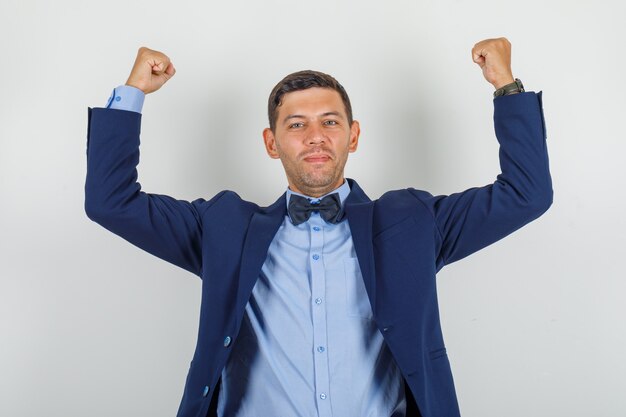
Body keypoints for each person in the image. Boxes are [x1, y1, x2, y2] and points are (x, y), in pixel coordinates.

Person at [85, 38, 552, 417]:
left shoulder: (413, 221)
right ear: (271, 143)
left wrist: (506, 87)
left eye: (330, 122)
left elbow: (525, 194)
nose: (315, 136)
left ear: (353, 135)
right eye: (296, 124)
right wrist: (133, 93)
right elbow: (112, 202)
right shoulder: (224, 227)